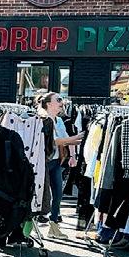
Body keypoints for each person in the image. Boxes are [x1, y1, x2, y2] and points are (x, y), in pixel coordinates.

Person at [35, 92, 83, 240]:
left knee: (57, 194)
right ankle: (28, 226)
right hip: (43, 163)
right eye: (58, 100)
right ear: (49, 103)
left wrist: (73, 153)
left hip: (56, 162)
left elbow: (65, 138)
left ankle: (54, 226)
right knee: (38, 194)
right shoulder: (42, 119)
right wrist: (75, 138)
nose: (62, 102)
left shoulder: (59, 120)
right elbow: (54, 141)